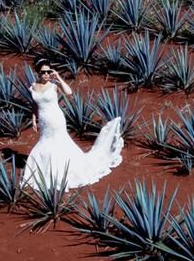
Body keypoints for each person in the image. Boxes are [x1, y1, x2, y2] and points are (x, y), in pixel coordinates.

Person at [23, 58, 125, 190]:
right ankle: (47, 171)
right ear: (38, 72)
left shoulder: (54, 85)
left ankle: (61, 172)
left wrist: (58, 77)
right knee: (45, 143)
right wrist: (33, 119)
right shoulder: (33, 86)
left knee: (59, 143)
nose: (46, 74)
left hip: (56, 120)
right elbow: (35, 104)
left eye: (49, 71)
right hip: (43, 121)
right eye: (43, 72)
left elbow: (69, 92)